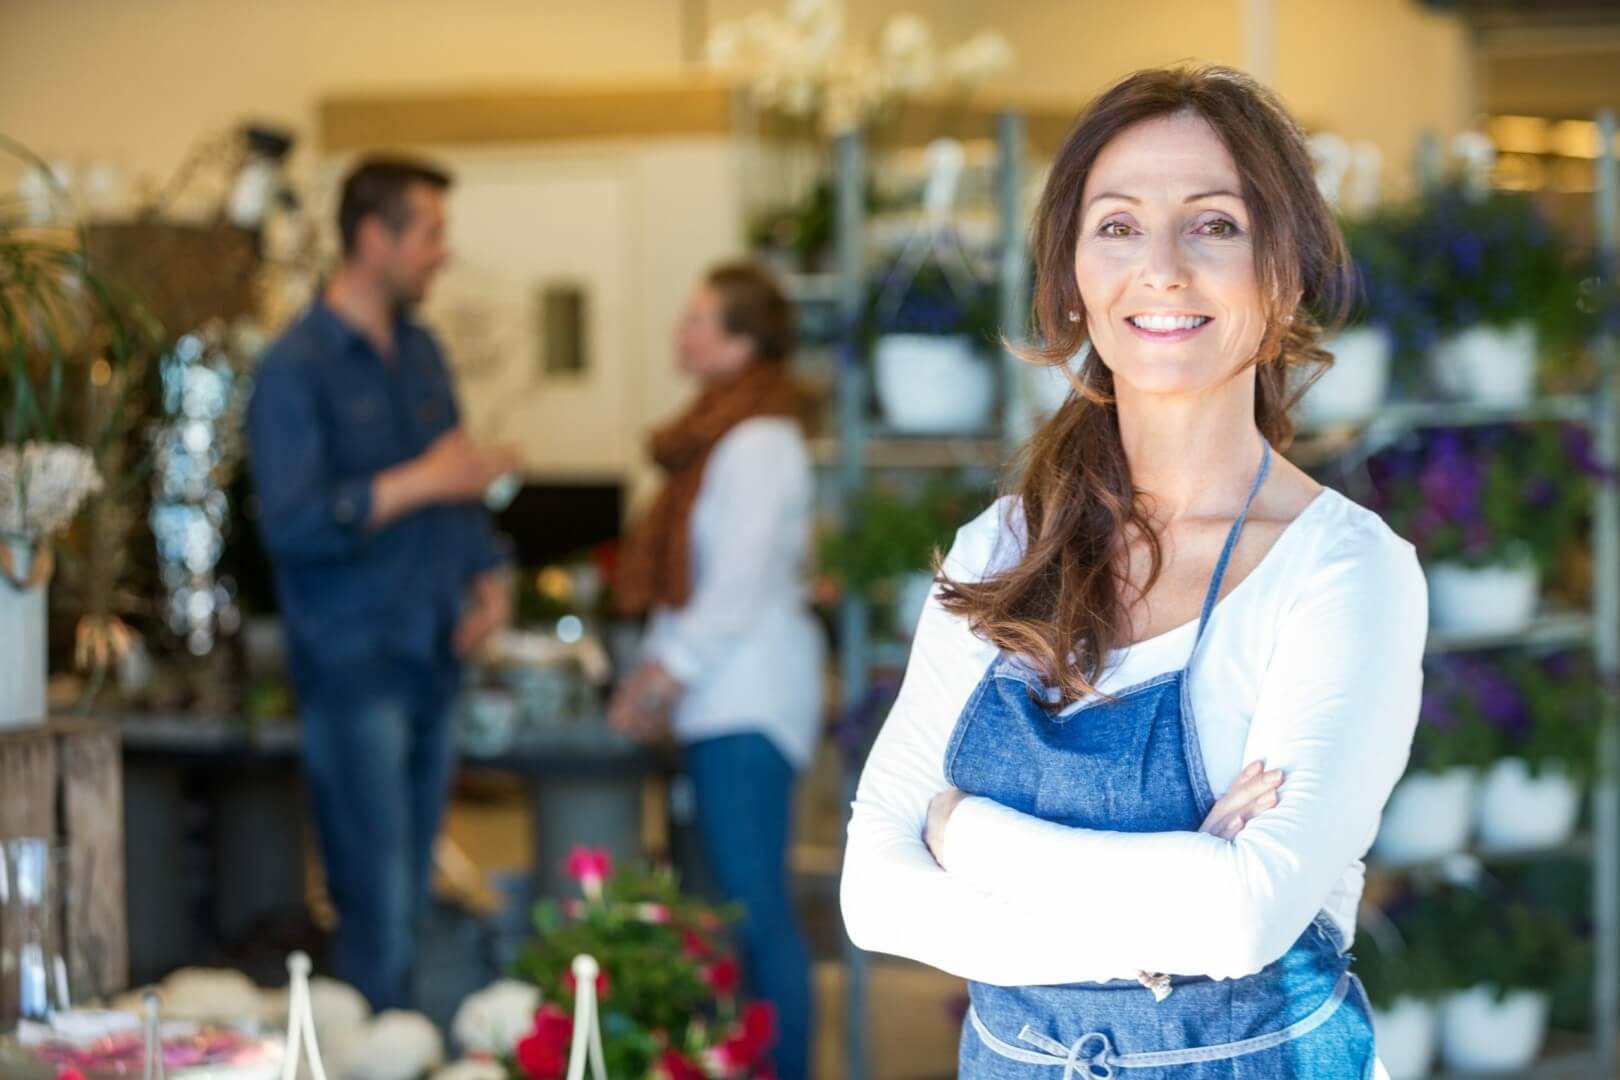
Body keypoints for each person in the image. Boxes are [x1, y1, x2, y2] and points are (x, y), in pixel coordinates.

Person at [841, 65, 1427, 1079]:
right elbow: (871, 891)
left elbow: (1245, 919)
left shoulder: (1343, 570)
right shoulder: (1004, 546)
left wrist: (968, 832)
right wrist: (1167, 923)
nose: (1159, 268)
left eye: (1212, 225)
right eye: (1117, 226)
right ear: (1071, 276)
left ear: (1280, 274)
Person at [246, 157, 519, 1011]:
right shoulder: (295, 366)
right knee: (377, 909)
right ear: (374, 237)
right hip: (352, 662)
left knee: (416, 896)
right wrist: (426, 481)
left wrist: (490, 573)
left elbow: (455, 480)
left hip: (433, 651)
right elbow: (288, 524)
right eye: (430, 231)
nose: (444, 252)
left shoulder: (424, 351)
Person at [609, 262, 823, 1080]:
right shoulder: (718, 432)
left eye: (700, 320)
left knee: (757, 913)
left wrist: (660, 675)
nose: (680, 332)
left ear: (740, 343)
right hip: (717, 702)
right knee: (719, 918)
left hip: (748, 705)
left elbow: (735, 584)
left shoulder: (759, 440)